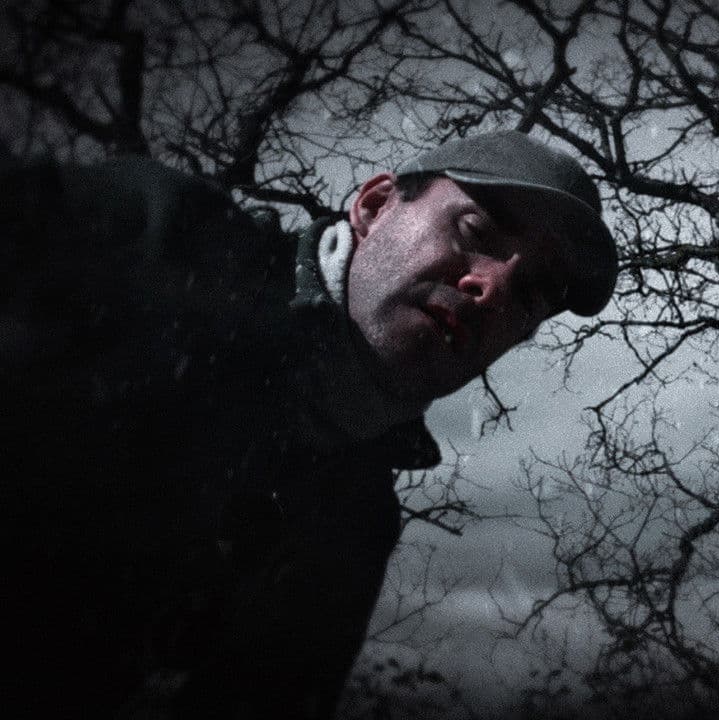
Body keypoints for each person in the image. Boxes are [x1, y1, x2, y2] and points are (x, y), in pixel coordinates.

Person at [1, 130, 617, 718]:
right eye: (475, 230)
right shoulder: (156, 234)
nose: (493, 287)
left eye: (531, 294)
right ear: (374, 207)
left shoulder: (353, 526)